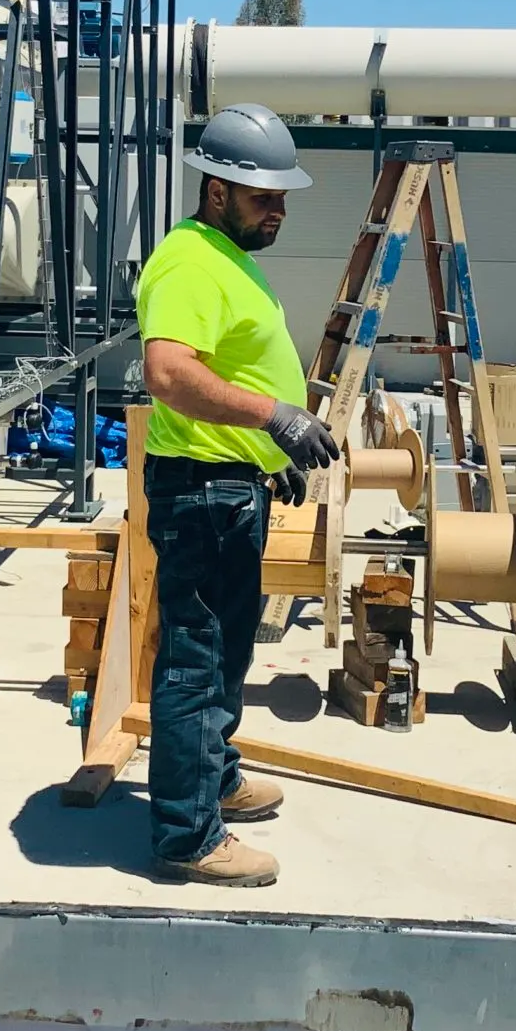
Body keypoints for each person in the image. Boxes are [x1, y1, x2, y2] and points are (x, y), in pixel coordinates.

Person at [133, 102, 342, 886]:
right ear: (216, 190)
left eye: (284, 196)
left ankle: (214, 781)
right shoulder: (189, 261)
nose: (280, 210)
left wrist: (267, 451)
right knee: (195, 661)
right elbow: (171, 373)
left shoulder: (224, 257)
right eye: (265, 196)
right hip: (201, 496)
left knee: (225, 654)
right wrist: (275, 417)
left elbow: (225, 369)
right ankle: (188, 836)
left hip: (230, 485)